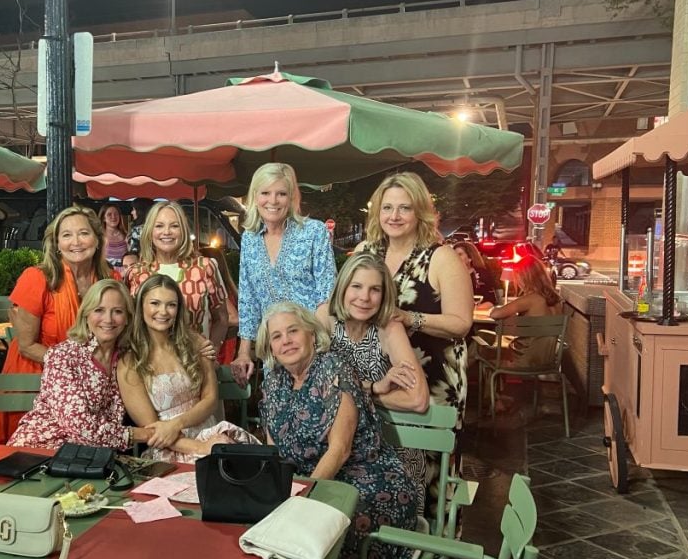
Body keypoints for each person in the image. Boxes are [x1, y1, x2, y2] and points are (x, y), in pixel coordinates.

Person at [220, 302, 418, 559]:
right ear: (269, 347)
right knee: (269, 522)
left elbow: (340, 450)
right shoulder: (275, 380)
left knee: (315, 533)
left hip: (369, 482)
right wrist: (279, 491)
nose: (286, 341)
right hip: (311, 482)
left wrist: (299, 499)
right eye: (276, 336)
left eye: (293, 331)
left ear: (312, 333)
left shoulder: (334, 370)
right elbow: (276, 447)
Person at [5, 279, 138, 559]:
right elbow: (77, 424)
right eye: (99, 310)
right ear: (86, 314)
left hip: (93, 460)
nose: (108, 319)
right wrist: (136, 435)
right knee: (38, 523)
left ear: (127, 317)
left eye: (117, 311)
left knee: (108, 512)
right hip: (43, 452)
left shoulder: (124, 359)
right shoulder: (64, 354)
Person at [0, 205, 115, 444]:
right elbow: (27, 345)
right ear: (56, 243)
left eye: (84, 233)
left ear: (98, 240)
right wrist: (75, 369)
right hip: (36, 382)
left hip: (90, 385)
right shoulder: (37, 278)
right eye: (66, 235)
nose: (76, 241)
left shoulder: (110, 280)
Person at [357, 172, 473, 428]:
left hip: (433, 377)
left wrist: (410, 318)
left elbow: (462, 323)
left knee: (427, 461)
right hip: (378, 379)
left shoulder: (442, 257)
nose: (394, 216)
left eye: (404, 208)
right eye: (387, 207)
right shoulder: (366, 251)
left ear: (420, 212)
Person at [316, 253, 429, 513]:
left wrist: (351, 398)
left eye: (374, 289)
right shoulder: (325, 317)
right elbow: (316, 388)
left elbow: (417, 399)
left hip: (386, 445)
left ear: (384, 294)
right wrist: (375, 387)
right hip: (335, 441)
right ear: (343, 286)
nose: (364, 297)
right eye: (356, 286)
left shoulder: (388, 326)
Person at [118, 274, 254, 463]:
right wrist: (200, 448)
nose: (163, 311)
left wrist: (178, 424)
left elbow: (210, 399)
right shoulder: (130, 361)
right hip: (170, 446)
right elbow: (151, 429)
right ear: (141, 306)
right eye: (155, 303)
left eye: (171, 305)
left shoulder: (195, 343)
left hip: (207, 431)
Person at [230, 163, 336, 387]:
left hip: (314, 349)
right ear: (254, 197)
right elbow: (248, 298)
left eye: (281, 193)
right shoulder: (250, 239)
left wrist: (311, 349)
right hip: (275, 352)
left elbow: (327, 295)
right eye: (265, 193)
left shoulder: (314, 232)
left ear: (291, 198)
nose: (273, 201)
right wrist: (243, 352)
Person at [127, 201, 229, 352]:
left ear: (184, 231)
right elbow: (130, 323)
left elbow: (222, 317)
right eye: (159, 226)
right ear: (149, 231)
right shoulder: (136, 273)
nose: (166, 232)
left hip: (196, 365)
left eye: (174, 226)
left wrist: (212, 352)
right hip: (150, 363)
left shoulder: (204, 267)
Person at [479, 254, 563, 374]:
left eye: (517, 277)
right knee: (485, 337)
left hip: (525, 358)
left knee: (479, 344)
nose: (516, 281)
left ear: (525, 277)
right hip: (549, 359)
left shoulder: (530, 299)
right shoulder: (556, 300)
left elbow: (495, 314)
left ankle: (472, 388)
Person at [454, 240, 498, 304]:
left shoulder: (482, 274)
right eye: (454, 255)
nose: (456, 257)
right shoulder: (451, 275)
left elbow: (490, 300)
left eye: (460, 254)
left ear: (470, 258)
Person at [99, 203, 129, 268]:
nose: (113, 217)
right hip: (107, 274)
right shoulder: (99, 236)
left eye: (116, 214)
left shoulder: (126, 235)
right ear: (104, 218)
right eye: (109, 214)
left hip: (124, 274)